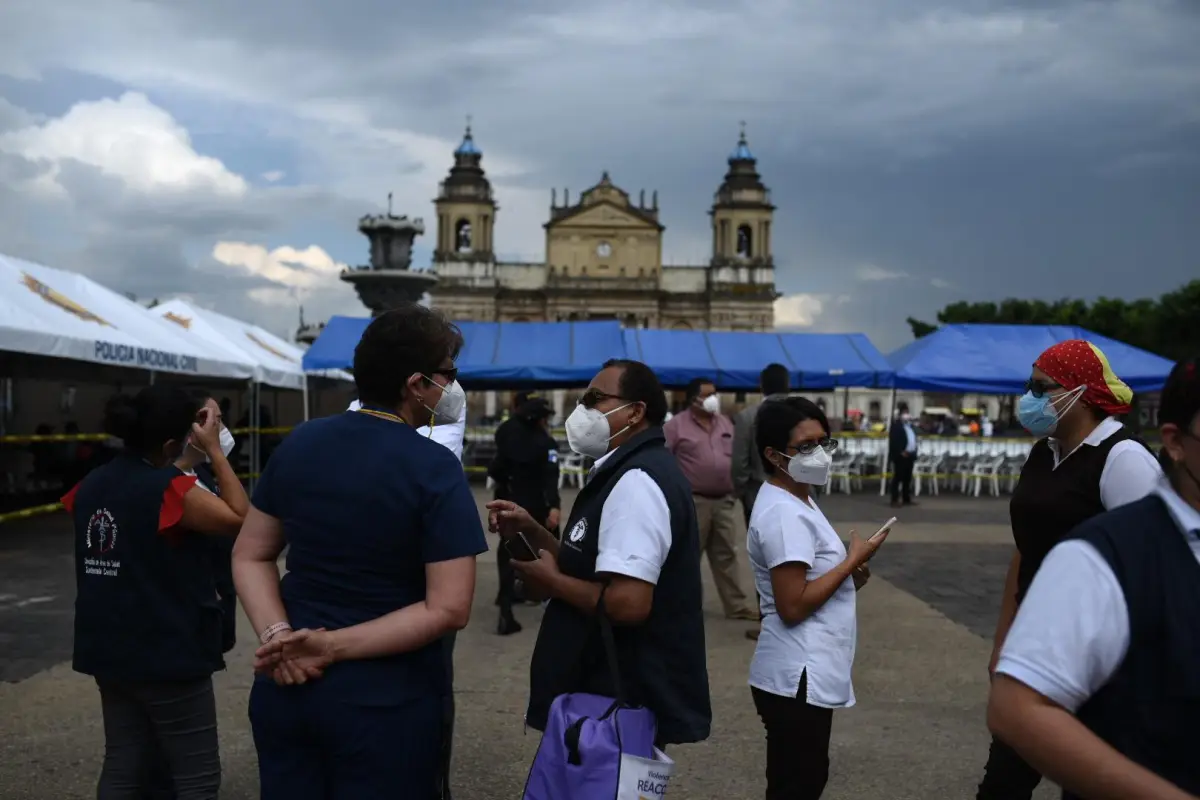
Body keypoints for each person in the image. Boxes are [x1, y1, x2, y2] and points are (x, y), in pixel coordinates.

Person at [234, 304, 487, 800]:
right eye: (447, 374)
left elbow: (250, 554)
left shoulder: (301, 442)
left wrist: (279, 635)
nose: (453, 386)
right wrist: (329, 646)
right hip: (386, 699)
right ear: (416, 385)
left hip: (288, 686)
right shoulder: (434, 468)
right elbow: (450, 607)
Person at [987, 355, 1200, 799]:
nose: (1032, 398)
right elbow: (1027, 548)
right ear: (1176, 442)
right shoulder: (1096, 546)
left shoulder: (1121, 458)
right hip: (1078, 642)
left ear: (1082, 395)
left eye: (1044, 387)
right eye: (1034, 386)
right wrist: (1005, 639)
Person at [487, 358, 711, 750]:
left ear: (636, 412)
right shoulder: (625, 470)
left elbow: (627, 604)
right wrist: (533, 529)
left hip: (617, 692)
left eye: (595, 399)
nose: (582, 410)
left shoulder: (636, 483)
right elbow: (595, 567)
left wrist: (551, 582)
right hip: (607, 690)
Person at [62, 385, 247, 800]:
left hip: (107, 647)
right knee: (196, 774)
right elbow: (239, 518)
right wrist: (216, 453)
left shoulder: (91, 483)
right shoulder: (170, 488)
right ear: (170, 443)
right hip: (166, 650)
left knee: (124, 764)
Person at [747, 397, 886, 799]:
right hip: (796, 673)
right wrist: (849, 563)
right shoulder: (784, 514)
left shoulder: (798, 499)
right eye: (806, 446)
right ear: (774, 455)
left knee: (803, 777)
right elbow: (792, 606)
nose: (820, 453)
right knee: (798, 783)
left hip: (800, 671)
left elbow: (807, 585)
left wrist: (848, 578)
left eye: (825, 442)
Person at [665, 377, 758, 622]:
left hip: (724, 501)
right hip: (693, 502)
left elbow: (738, 456)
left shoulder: (725, 422)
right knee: (687, 556)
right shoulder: (676, 426)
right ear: (692, 398)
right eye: (707, 394)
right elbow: (664, 462)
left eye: (714, 393)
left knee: (727, 554)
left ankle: (736, 606)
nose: (712, 399)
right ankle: (680, 607)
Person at [488, 392, 561, 635]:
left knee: (507, 550)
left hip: (507, 500)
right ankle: (544, 593)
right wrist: (555, 505)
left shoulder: (506, 432)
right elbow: (551, 476)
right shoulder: (546, 443)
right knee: (539, 549)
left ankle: (506, 600)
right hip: (535, 504)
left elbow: (496, 467)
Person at [733, 364, 792, 641]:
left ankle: (768, 621)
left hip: (759, 497)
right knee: (797, 558)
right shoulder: (805, 414)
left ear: (761, 386)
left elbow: (739, 465)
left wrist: (742, 493)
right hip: (801, 498)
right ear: (788, 384)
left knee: (764, 562)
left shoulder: (747, 417)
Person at [887, 402, 918, 508]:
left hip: (910, 455)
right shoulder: (896, 426)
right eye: (905, 413)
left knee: (907, 478)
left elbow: (912, 439)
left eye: (907, 412)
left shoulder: (909, 426)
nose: (907, 415)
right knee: (898, 477)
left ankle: (906, 498)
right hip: (900, 456)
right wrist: (901, 451)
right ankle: (894, 499)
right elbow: (894, 441)